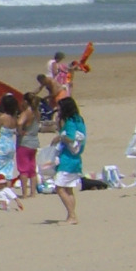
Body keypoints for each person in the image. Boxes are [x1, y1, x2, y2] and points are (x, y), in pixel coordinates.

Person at [51, 96, 86, 224]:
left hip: (67, 159)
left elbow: (70, 138)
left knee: (59, 188)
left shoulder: (70, 122)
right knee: (69, 189)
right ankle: (71, 216)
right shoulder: (79, 120)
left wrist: (60, 137)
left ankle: (72, 215)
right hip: (76, 159)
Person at [13, 92, 41, 196]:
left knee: (23, 168)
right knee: (32, 168)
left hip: (24, 142)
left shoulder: (26, 112)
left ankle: (24, 193)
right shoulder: (36, 112)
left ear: (25, 101)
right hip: (34, 141)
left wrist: (19, 131)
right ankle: (33, 192)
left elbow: (19, 122)